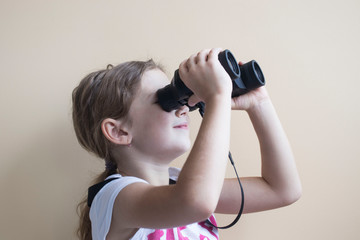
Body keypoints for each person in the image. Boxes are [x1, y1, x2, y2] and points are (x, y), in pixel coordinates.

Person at [72, 48, 302, 240]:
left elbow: (282, 190)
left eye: (182, 99)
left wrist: (259, 104)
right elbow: (195, 202)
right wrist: (216, 98)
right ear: (119, 131)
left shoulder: (180, 184)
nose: (183, 108)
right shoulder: (114, 198)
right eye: (166, 100)